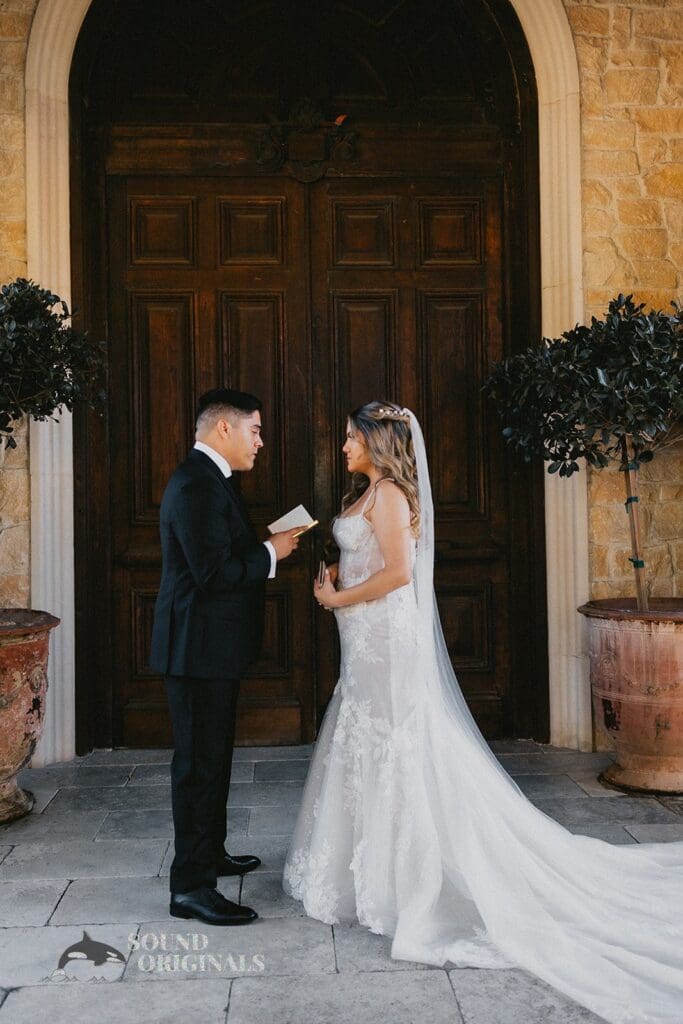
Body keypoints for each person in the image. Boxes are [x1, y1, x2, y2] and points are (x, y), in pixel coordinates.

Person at [283, 400, 683, 1024]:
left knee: (398, 745)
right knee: (367, 740)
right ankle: (369, 870)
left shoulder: (389, 496)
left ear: (378, 442)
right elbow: (372, 563)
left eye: (350, 438)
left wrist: (337, 597)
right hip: (364, 643)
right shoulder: (367, 495)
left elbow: (397, 576)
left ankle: (408, 881)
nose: (342, 447)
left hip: (386, 637)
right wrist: (341, 571)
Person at [150, 387, 303, 926]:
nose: (261, 442)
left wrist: (265, 542)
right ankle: (190, 887)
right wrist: (270, 553)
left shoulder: (214, 481)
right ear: (224, 430)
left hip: (211, 651)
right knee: (197, 767)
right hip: (195, 652)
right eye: (255, 430)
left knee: (212, 761)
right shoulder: (195, 485)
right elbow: (213, 574)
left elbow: (215, 553)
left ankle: (209, 854)